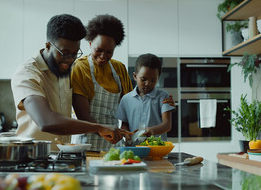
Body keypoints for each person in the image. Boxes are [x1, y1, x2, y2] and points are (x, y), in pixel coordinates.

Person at [11, 14, 132, 150]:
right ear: (48, 46)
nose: (70, 59)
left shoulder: (66, 71)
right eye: (64, 53)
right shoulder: (28, 73)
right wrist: (99, 127)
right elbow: (46, 121)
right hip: (31, 157)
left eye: (75, 54)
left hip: (61, 156)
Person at [70, 14, 134, 151]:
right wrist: (106, 130)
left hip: (114, 145)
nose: (103, 56)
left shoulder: (119, 69)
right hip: (85, 144)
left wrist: (125, 129)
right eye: (99, 50)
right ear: (90, 43)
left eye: (109, 52)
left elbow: (127, 107)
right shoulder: (80, 67)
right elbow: (83, 116)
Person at [115, 53, 175, 144]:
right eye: (143, 79)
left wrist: (150, 131)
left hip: (157, 148)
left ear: (158, 78)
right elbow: (124, 124)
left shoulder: (164, 97)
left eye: (153, 80)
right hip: (134, 148)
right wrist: (127, 136)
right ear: (135, 76)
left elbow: (167, 125)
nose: (148, 83)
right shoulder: (126, 99)